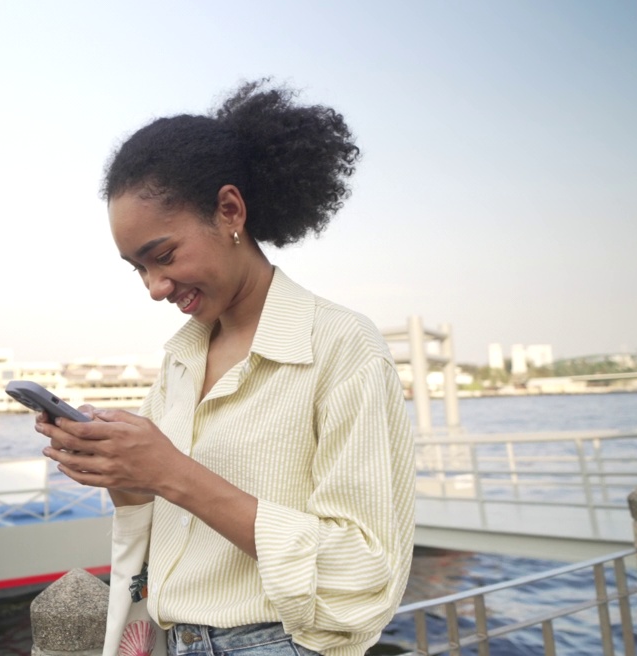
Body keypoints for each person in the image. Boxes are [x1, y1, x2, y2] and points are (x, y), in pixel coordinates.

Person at [35, 80, 416, 656]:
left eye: (163, 256)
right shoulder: (180, 360)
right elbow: (164, 522)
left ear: (229, 210)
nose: (155, 287)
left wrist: (171, 473)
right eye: (137, 269)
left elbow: (363, 570)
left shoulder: (342, 346)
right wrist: (122, 473)